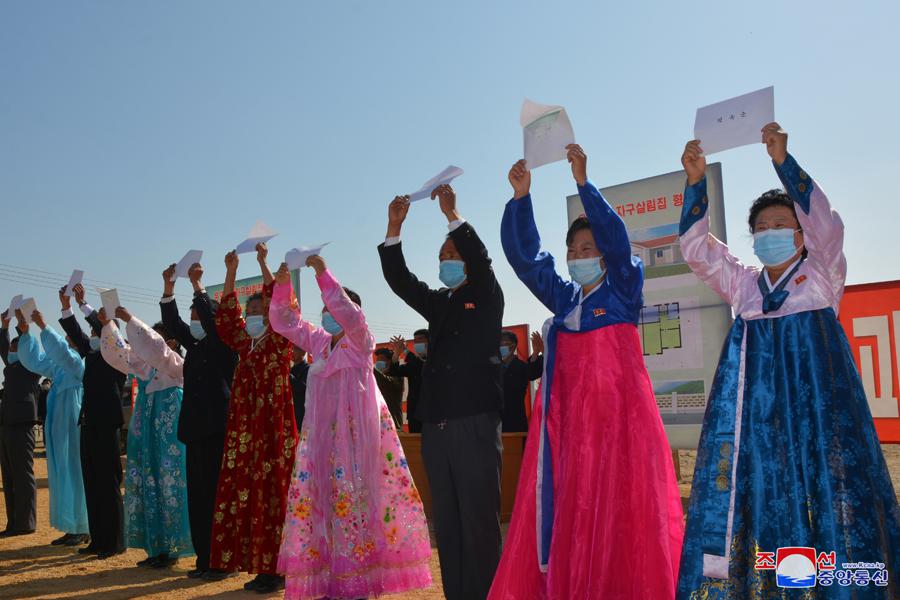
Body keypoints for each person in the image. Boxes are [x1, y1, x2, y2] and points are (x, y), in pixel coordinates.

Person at [675, 125, 900, 596]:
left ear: (800, 234)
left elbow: (829, 226)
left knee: (828, 503)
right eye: (761, 228)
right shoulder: (745, 286)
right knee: (769, 503)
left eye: (781, 225)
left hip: (820, 425)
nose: (769, 233)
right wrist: (695, 184)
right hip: (763, 428)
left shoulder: (821, 276)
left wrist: (783, 162)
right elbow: (698, 252)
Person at [490, 146, 684, 599]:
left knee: (622, 518)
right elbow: (527, 261)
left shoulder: (622, 292)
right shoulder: (566, 301)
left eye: (587, 248)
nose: (577, 255)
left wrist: (583, 185)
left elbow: (618, 246)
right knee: (575, 521)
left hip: (618, 434)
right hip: (573, 439)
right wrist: (521, 199)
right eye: (572, 249)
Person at [270, 256, 432, 599]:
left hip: (357, 442)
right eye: (326, 308)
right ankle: (333, 581)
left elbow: (350, 314)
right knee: (325, 508)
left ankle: (357, 585)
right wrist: (283, 285)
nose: (328, 313)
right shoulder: (318, 343)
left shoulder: (361, 341)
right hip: (323, 443)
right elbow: (284, 321)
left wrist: (322, 273)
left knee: (355, 506)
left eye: (335, 306)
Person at [378, 184, 505, 600]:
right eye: (441, 256)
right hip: (437, 427)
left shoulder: (485, 295)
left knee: (479, 522)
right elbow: (401, 281)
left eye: (452, 255)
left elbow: (484, 262)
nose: (445, 260)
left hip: (475, 423)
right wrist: (394, 229)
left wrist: (454, 217)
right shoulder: (438, 303)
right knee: (447, 523)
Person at [210, 243, 297, 594]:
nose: (255, 316)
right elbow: (227, 319)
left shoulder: (280, 342)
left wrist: (263, 264)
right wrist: (230, 271)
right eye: (252, 312)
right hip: (245, 433)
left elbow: (283, 304)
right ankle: (260, 566)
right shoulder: (245, 346)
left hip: (273, 433)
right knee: (248, 496)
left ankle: (278, 569)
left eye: (261, 309)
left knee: (275, 495)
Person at [159, 262, 238, 580]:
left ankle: (224, 562)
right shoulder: (195, 347)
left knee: (218, 497)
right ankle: (205, 558)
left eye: (197, 318)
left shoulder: (223, 345)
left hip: (217, 430)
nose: (192, 324)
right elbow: (172, 323)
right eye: (192, 318)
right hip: (194, 431)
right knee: (199, 499)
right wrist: (168, 288)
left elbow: (210, 320)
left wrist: (198, 286)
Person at [100, 306, 194, 569]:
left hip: (166, 423)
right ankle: (156, 547)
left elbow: (155, 348)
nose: (144, 344)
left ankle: (172, 548)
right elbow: (120, 352)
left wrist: (130, 319)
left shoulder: (175, 364)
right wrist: (109, 325)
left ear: (172, 341)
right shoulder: (143, 369)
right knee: (148, 480)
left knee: (168, 481)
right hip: (147, 421)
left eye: (156, 336)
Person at [15, 295, 89, 546]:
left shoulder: (78, 363)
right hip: (59, 422)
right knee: (62, 471)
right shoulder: (59, 368)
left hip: (72, 420)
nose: (67, 339)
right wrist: (26, 334)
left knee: (75, 470)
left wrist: (44, 327)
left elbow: (62, 353)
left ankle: (83, 525)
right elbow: (34, 361)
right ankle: (71, 525)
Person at [60, 283, 127, 559]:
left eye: (97, 331)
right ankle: (98, 539)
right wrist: (67, 305)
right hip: (87, 422)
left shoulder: (117, 354)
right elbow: (74, 332)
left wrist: (89, 308)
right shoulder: (92, 354)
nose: (92, 335)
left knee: (108, 482)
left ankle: (114, 541)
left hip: (106, 422)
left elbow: (104, 332)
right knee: (92, 482)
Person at [0, 309, 41, 537]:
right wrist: (4, 326)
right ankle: (13, 522)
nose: (11, 352)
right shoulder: (12, 366)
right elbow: (4, 348)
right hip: (6, 424)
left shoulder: (30, 366)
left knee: (23, 475)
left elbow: (26, 347)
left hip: (22, 424)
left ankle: (25, 523)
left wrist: (21, 330)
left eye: (16, 348)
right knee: (9, 475)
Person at [499, 330, 543, 433]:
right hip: (495, 422)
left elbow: (533, 372)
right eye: (499, 344)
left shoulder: (521, 367)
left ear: (513, 346)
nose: (501, 347)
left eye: (504, 343)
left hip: (514, 422)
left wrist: (536, 353)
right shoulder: (494, 367)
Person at [386, 330, 428, 433]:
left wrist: (405, 351)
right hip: (414, 413)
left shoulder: (436, 358)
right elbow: (394, 372)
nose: (417, 343)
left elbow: (420, 366)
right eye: (415, 340)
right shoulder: (413, 363)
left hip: (431, 413)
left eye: (420, 339)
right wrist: (396, 352)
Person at [373, 347, 404, 429]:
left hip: (393, 424)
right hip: (378, 423)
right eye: (377, 359)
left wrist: (371, 368)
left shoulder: (397, 376)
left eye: (382, 359)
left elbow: (386, 381)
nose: (378, 362)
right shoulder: (374, 379)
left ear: (389, 361)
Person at [289, 347, 309, 430]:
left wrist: (287, 375)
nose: (292, 351)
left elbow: (300, 388)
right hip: (292, 412)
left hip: (301, 413)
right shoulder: (291, 369)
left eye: (295, 349)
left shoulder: (307, 369)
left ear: (303, 352)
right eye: (291, 348)